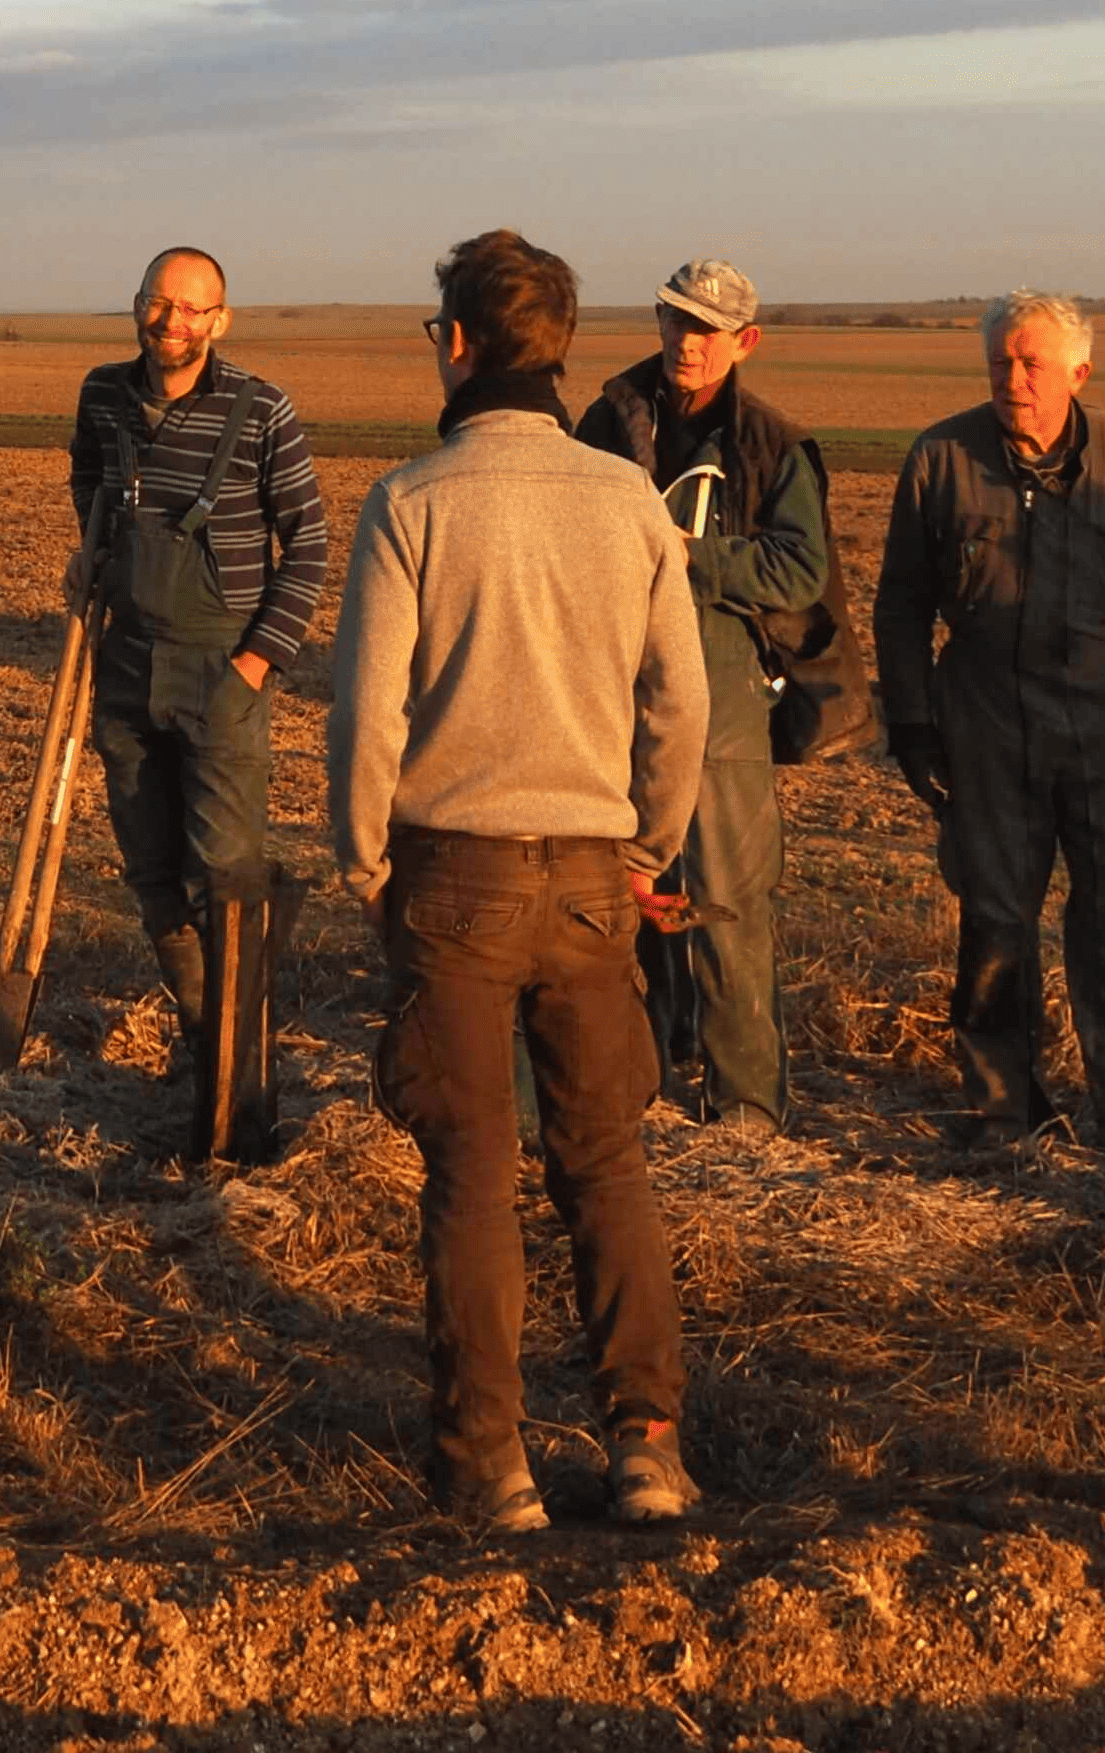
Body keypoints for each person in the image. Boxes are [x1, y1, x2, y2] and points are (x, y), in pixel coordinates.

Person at [328, 229, 712, 1534]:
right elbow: (683, 705)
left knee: (472, 1178)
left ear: (454, 344)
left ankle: (490, 1468)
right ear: (561, 352)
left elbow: (366, 715)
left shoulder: (414, 501)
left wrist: (363, 856)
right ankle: (649, 1449)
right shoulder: (630, 502)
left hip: (453, 874)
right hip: (599, 877)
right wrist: (648, 845)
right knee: (607, 1167)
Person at [873, 290, 1105, 1151]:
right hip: (987, 727)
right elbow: (902, 604)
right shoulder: (941, 460)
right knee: (994, 922)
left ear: (1078, 372)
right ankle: (1003, 1117)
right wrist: (913, 725)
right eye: (1000, 364)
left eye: (1031, 365)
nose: (1013, 381)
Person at [570, 258, 834, 1135]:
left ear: (744, 342)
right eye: (677, 321)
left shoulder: (772, 445)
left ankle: (746, 1106)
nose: (689, 342)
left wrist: (691, 560)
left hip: (722, 689)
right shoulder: (609, 420)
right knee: (624, 896)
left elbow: (801, 571)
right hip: (612, 687)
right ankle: (637, 1073)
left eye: (708, 330)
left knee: (725, 899)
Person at [65, 245, 334, 1029]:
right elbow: (88, 478)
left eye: (191, 308)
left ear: (220, 319)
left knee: (224, 868)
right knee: (148, 865)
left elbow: (309, 542)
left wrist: (253, 665)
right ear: (137, 303)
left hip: (223, 664)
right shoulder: (104, 394)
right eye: (159, 302)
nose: (171, 321)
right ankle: (202, 1025)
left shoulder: (260, 409)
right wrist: (93, 553)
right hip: (126, 659)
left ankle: (241, 1045)